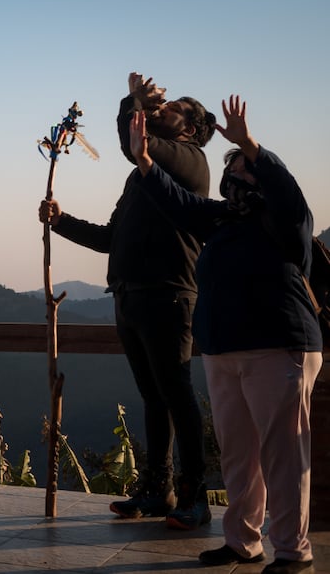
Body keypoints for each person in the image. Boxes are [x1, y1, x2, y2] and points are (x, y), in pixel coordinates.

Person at [129, 98, 321, 574]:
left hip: (280, 346)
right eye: (231, 169)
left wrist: (251, 146)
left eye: (245, 170)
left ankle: (294, 552)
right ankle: (242, 542)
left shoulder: (284, 221)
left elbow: (288, 193)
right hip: (223, 350)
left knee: (282, 454)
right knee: (239, 455)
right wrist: (146, 161)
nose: (236, 178)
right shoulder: (220, 220)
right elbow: (177, 202)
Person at [38, 72, 217, 529]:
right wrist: (61, 221)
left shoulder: (191, 162)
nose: (163, 111)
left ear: (190, 130)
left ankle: (194, 496)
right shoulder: (140, 177)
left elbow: (133, 142)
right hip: (130, 296)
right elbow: (110, 238)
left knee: (176, 394)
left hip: (170, 295)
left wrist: (133, 101)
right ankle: (159, 489)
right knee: (155, 398)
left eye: (172, 108)